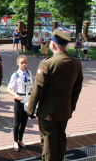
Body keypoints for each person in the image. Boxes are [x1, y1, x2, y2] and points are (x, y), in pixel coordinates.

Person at [27, 29, 83, 161]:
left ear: (52, 45)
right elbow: (77, 87)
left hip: (48, 112)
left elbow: (38, 89)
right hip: (64, 110)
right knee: (60, 139)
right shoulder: (76, 62)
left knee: (48, 143)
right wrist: (71, 105)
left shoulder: (47, 63)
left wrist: (30, 109)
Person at [7, 55, 32, 152]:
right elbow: (9, 89)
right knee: (17, 122)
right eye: (22, 62)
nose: (24, 64)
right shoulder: (15, 74)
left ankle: (20, 140)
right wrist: (15, 95)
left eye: (25, 62)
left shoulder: (29, 73)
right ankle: (15, 141)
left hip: (27, 99)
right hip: (19, 98)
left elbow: (31, 87)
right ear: (17, 63)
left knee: (24, 121)